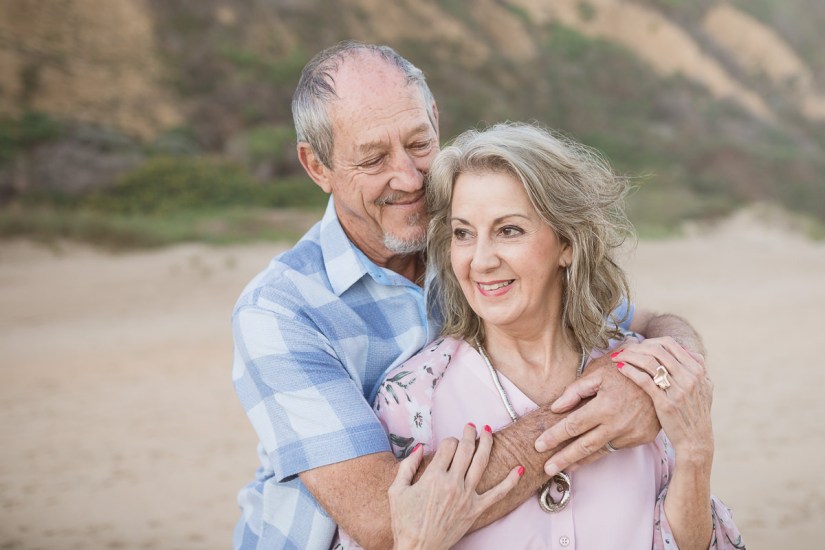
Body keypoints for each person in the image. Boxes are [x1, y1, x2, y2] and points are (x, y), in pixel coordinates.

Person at [231, 41, 705, 550]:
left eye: (418, 143)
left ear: (435, 119)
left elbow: (649, 323)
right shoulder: (281, 311)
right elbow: (389, 520)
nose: (410, 178)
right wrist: (592, 418)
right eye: (372, 158)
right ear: (316, 166)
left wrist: (650, 380)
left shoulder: (471, 237)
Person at [347, 122, 744, 549]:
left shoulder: (641, 375)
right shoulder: (413, 398)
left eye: (508, 230)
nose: (480, 261)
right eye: (463, 233)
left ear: (567, 244)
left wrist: (697, 453)